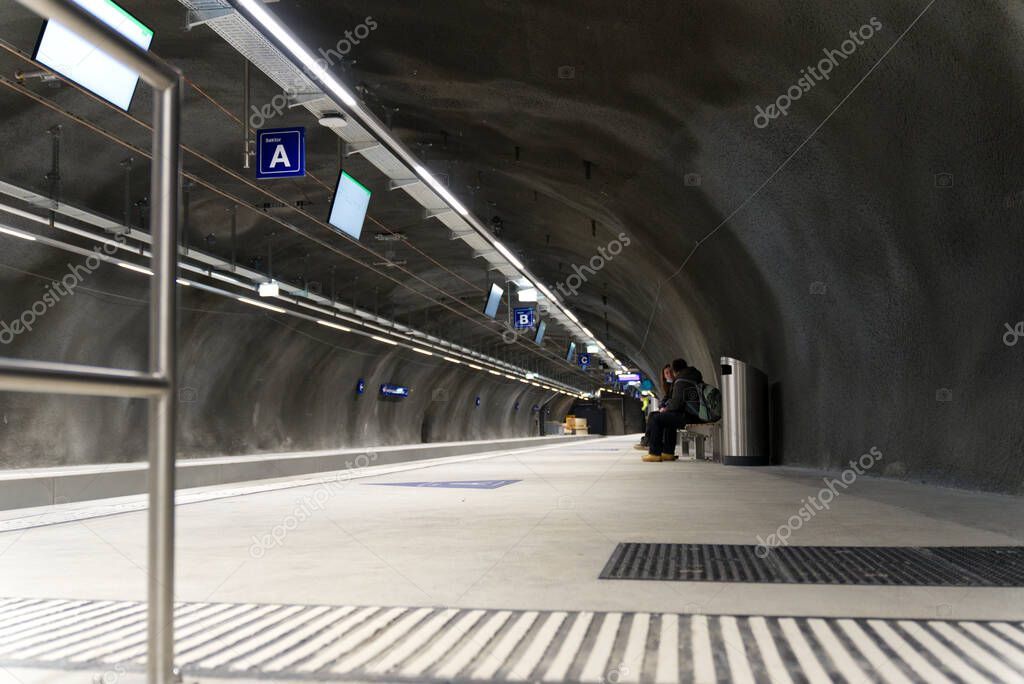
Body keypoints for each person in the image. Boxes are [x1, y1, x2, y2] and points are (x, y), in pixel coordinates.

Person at [643, 358, 703, 462]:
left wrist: (666, 409)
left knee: (657, 419)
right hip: (695, 413)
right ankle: (667, 452)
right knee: (668, 419)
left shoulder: (682, 380)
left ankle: (654, 453)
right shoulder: (693, 376)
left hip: (689, 415)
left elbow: (676, 403)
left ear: (675, 371)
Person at [636, 365, 674, 449]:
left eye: (670, 372)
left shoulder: (676, 384)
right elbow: (665, 399)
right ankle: (648, 441)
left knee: (654, 417)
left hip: (674, 411)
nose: (669, 374)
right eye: (666, 373)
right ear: (664, 376)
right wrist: (661, 406)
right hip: (671, 410)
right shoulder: (669, 386)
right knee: (652, 415)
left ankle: (650, 442)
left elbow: (674, 400)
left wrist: (666, 408)